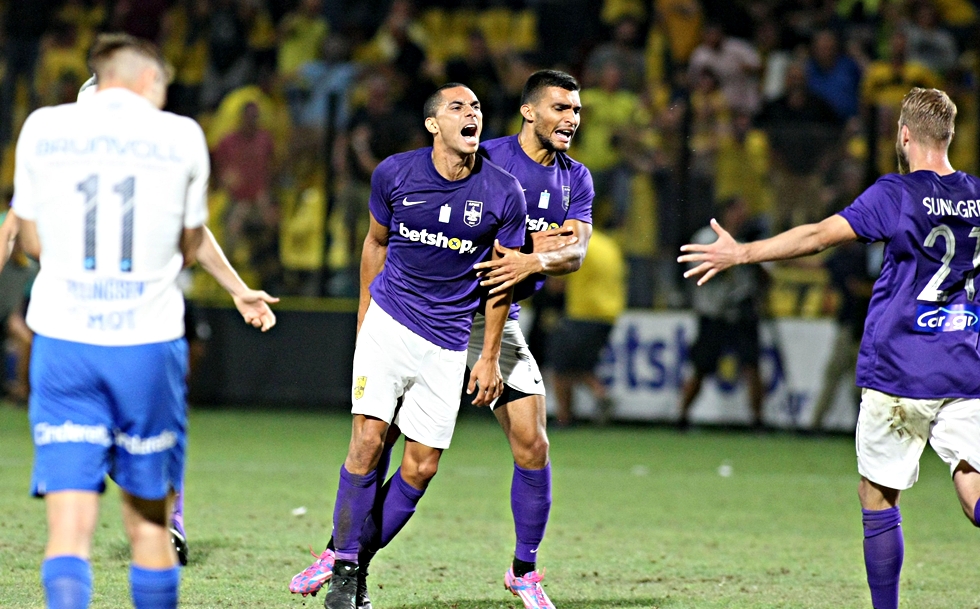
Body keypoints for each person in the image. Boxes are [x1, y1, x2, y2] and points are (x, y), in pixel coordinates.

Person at [289, 69, 594, 609]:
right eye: (561, 108)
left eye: (576, 110)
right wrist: (533, 246)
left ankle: (523, 570)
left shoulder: (575, 180)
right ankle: (343, 557)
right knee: (375, 440)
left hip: (491, 317)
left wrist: (532, 260)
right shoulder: (487, 158)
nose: (571, 119)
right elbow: (404, 232)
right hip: (430, 311)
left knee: (533, 443)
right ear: (529, 112)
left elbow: (575, 251)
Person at [678, 87, 980, 609]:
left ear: (904, 135)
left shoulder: (897, 193)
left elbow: (819, 235)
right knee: (972, 482)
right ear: (949, 136)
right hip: (966, 366)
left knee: (878, 496)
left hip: (900, 367)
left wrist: (743, 253)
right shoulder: (976, 194)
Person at [15, 34, 277, 609]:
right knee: (151, 527)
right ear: (148, 80)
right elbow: (187, 244)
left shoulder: (43, 129)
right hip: (146, 343)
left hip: (64, 340)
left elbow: (28, 240)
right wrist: (231, 287)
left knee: (69, 529)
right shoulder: (180, 136)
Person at [678, 197, 768, 431]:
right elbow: (695, 272)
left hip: (742, 312)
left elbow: (767, 277)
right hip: (714, 312)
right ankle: (682, 416)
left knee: (752, 365)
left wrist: (752, 258)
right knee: (701, 367)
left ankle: (758, 420)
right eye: (738, 211)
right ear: (726, 213)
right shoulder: (706, 238)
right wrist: (727, 259)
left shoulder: (750, 240)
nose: (742, 217)